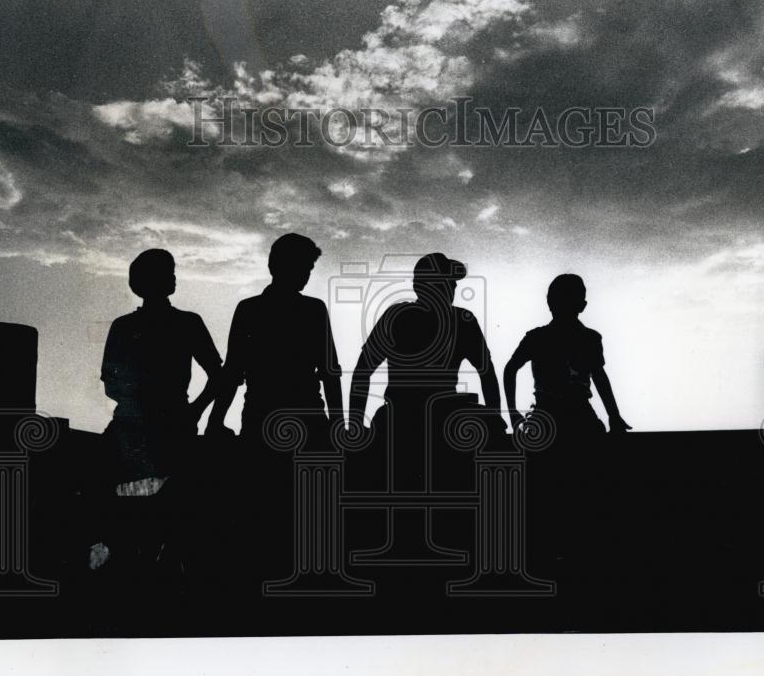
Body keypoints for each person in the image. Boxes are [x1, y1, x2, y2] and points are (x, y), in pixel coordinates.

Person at [95, 248, 223, 587]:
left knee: (128, 504)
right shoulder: (181, 323)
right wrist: (193, 410)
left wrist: (191, 409)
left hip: (145, 428)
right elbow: (219, 376)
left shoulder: (130, 326)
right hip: (158, 428)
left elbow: (110, 385)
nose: (174, 277)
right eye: (168, 272)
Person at [349, 252, 505, 488]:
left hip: (401, 420)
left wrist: (356, 427)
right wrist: (495, 419)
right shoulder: (462, 321)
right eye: (448, 282)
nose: (452, 287)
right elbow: (487, 373)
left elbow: (362, 371)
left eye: (452, 283)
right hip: (436, 421)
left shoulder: (397, 317)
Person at [205, 233, 342, 442]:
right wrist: (338, 424)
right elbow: (330, 372)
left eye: (309, 269)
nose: (306, 275)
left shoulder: (248, 310)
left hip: (259, 419)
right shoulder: (313, 310)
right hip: (307, 420)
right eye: (303, 267)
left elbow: (233, 372)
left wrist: (215, 422)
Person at [504, 273, 631, 438]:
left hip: (548, 417)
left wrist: (513, 412)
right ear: (582, 306)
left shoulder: (537, 337)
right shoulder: (589, 338)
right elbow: (599, 376)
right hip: (578, 416)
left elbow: (510, 369)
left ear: (549, 303)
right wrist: (613, 415)